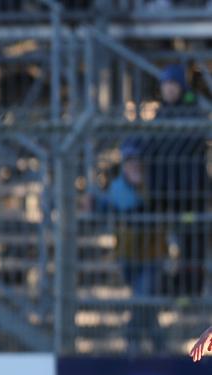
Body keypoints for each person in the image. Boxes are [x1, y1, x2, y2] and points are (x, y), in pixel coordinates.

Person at [91, 139, 166, 352]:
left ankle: (133, 341)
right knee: (146, 305)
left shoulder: (154, 185)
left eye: (136, 161)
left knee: (143, 299)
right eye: (129, 161)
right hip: (129, 255)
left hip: (151, 255)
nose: (133, 166)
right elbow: (104, 208)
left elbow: (156, 208)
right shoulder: (118, 188)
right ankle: (158, 347)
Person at [145, 64, 208, 296]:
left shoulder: (192, 112)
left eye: (173, 84)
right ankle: (172, 292)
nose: (169, 90)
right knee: (168, 247)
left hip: (190, 196)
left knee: (192, 244)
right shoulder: (161, 115)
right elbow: (153, 151)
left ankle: (191, 293)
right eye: (165, 85)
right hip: (166, 195)